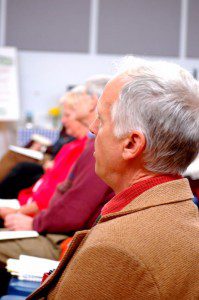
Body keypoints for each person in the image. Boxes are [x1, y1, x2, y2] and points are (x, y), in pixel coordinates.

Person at [29, 57, 199, 299]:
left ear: (131, 144)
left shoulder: (115, 250)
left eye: (102, 119)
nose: (92, 128)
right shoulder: (182, 215)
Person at [0, 74, 112, 295]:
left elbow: (69, 210)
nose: (85, 100)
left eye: (88, 96)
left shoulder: (93, 148)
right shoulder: (87, 146)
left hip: (62, 239)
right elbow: (60, 197)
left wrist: (32, 221)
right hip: (57, 230)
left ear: (95, 102)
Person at [0, 87, 89, 219]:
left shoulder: (82, 149)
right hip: (29, 203)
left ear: (82, 115)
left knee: (22, 167)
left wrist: (17, 213)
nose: (63, 121)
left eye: (67, 115)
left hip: (34, 213)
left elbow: (52, 200)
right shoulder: (71, 146)